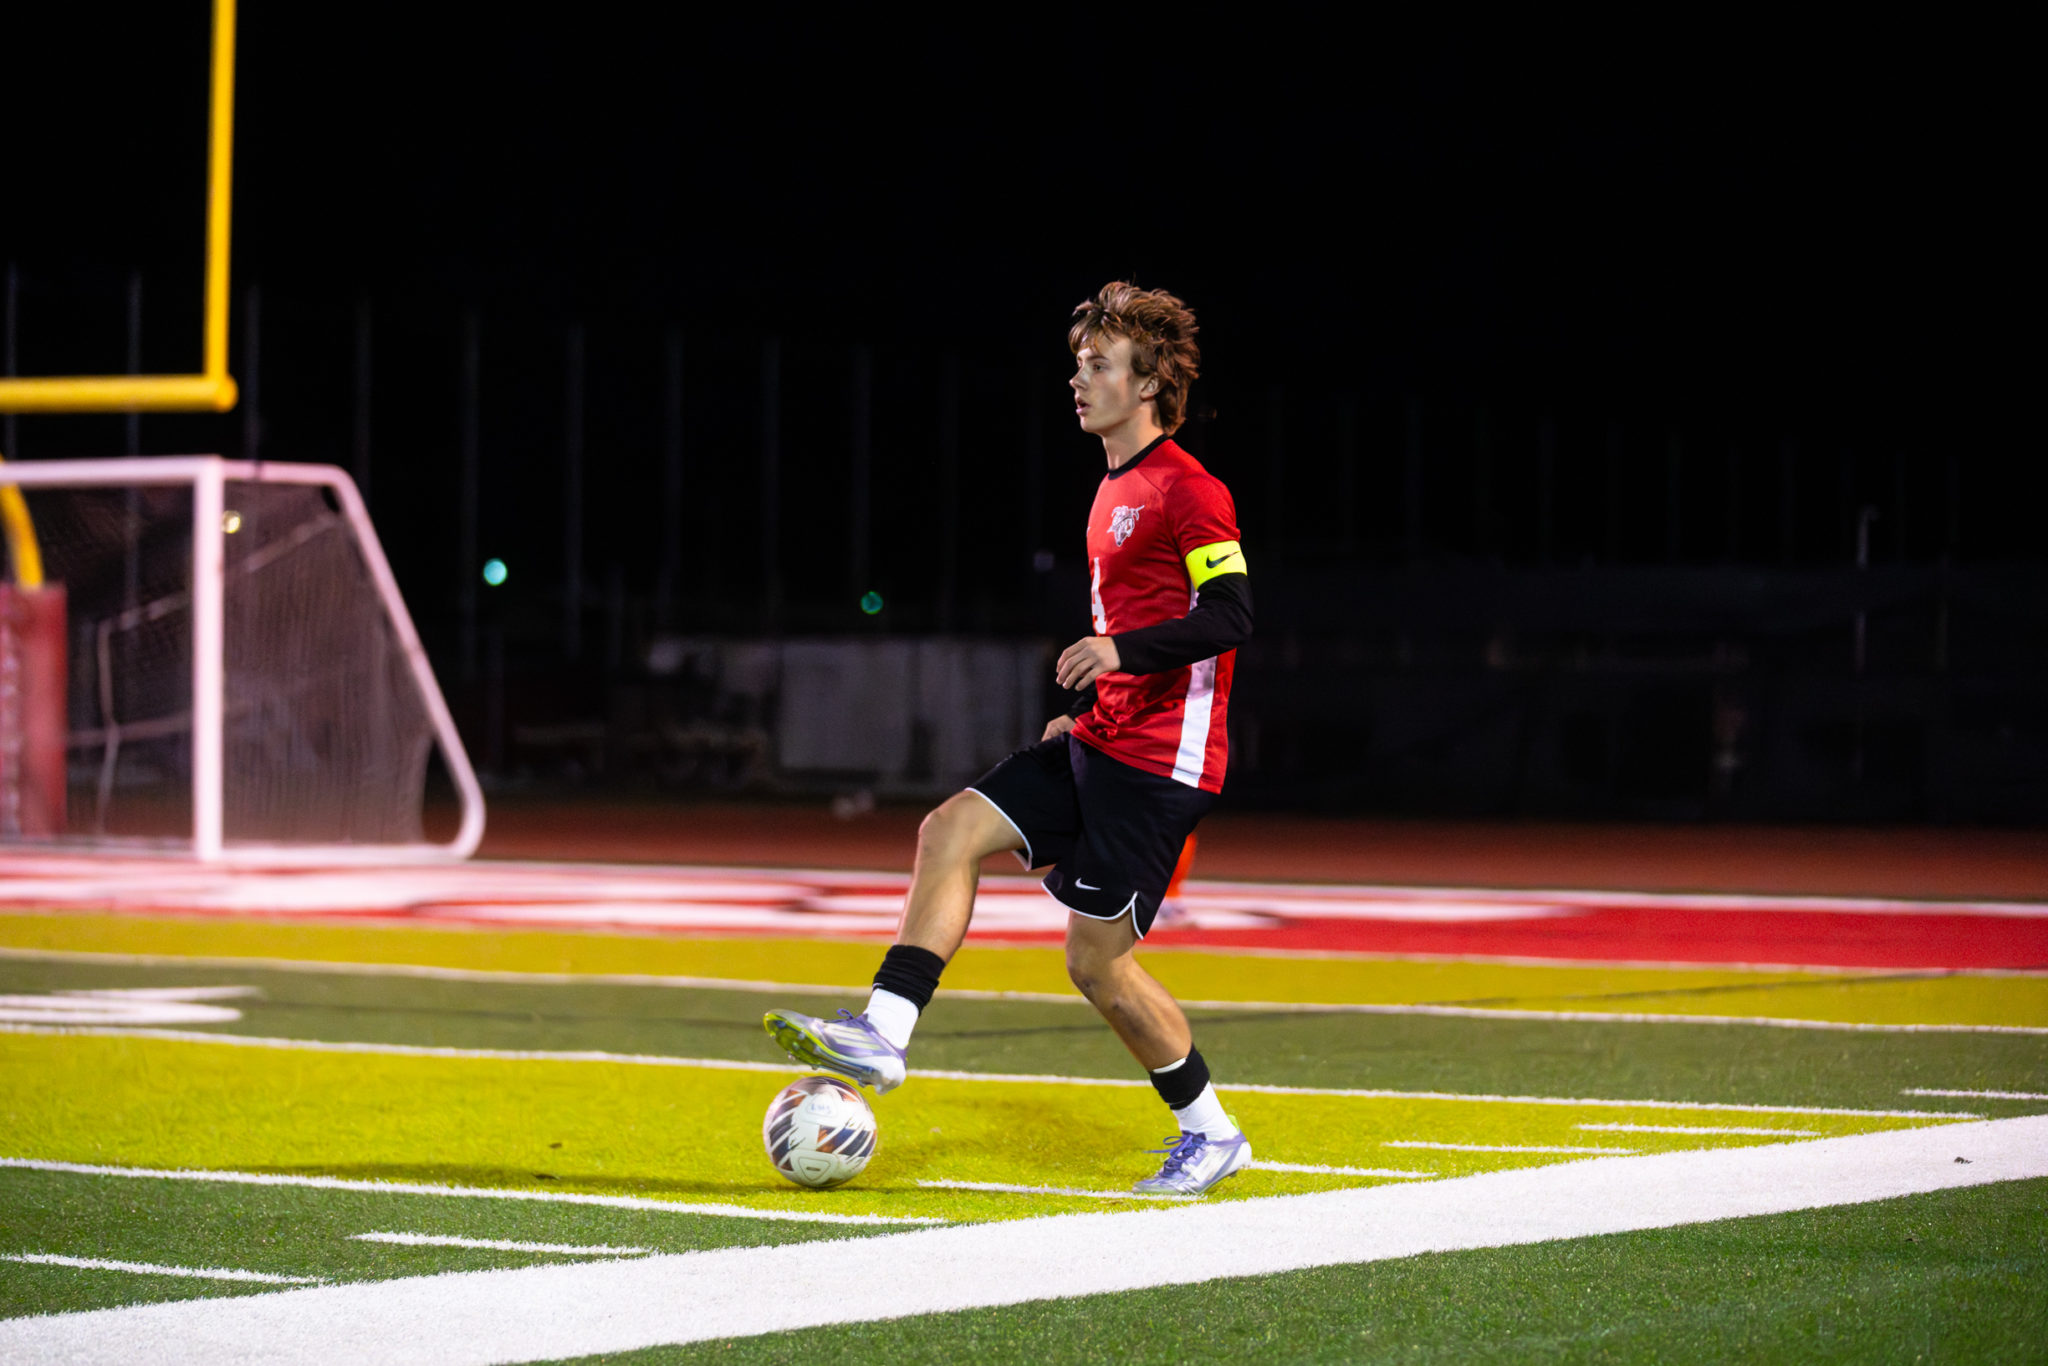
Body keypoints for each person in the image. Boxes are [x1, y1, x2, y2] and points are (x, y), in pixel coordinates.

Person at [764, 281, 1254, 1195]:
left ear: (1150, 384)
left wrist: (1116, 653)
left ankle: (1212, 1132)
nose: (1078, 379)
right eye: (1079, 363)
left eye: (1098, 365)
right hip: (1104, 738)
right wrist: (1096, 703)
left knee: (1096, 966)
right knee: (950, 828)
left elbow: (1231, 613)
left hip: (1160, 763)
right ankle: (885, 1031)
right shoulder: (1113, 487)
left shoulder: (1190, 489)